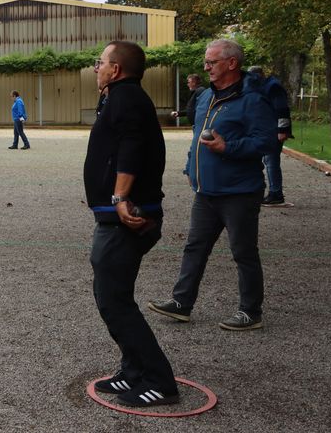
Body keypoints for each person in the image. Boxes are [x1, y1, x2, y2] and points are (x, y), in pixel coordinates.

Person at [149, 39, 277, 331]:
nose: (206, 67)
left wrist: (228, 147)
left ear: (232, 63)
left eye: (212, 62)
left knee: (243, 252)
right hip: (205, 192)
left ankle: (250, 312)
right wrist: (191, 165)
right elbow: (198, 135)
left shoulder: (253, 100)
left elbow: (267, 142)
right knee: (194, 247)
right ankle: (182, 303)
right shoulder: (206, 96)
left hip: (239, 192)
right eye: (206, 62)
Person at [84, 41, 179, 407]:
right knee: (109, 297)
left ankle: (160, 381)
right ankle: (133, 370)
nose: (97, 68)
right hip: (117, 216)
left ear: (116, 70)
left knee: (115, 300)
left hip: (127, 218)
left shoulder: (124, 97)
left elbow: (131, 147)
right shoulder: (120, 97)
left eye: (101, 62)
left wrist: (120, 197)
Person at [248, 66, 292, 206]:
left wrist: (283, 130)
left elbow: (282, 109)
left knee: (271, 162)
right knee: (267, 162)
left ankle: (276, 194)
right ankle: (270, 192)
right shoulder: (263, 86)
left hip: (273, 130)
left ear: (261, 75)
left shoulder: (272, 87)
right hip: (266, 129)